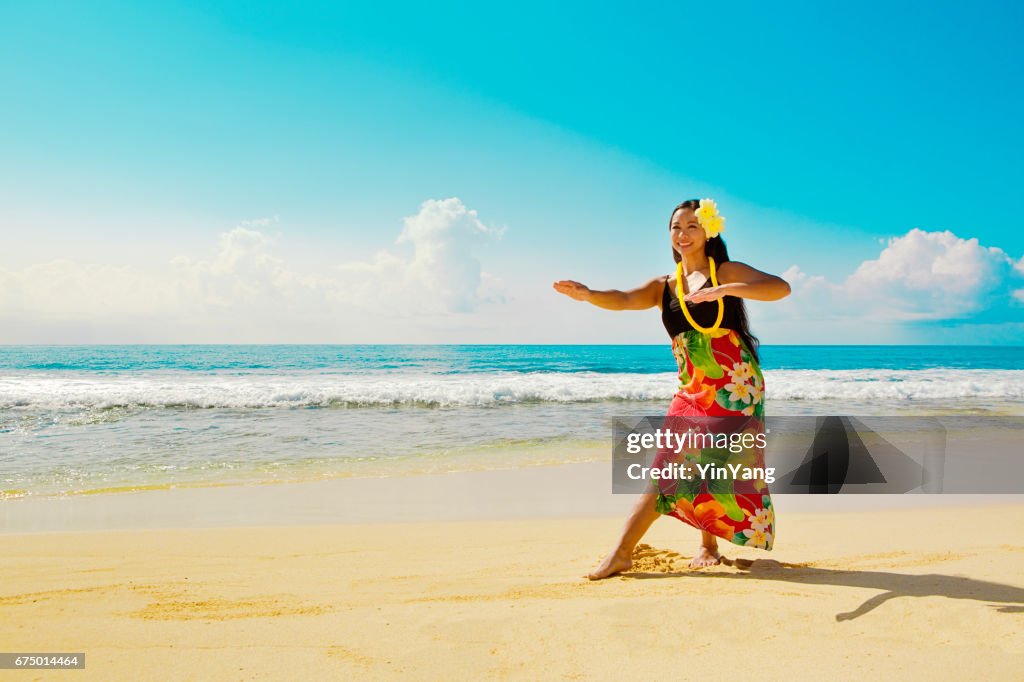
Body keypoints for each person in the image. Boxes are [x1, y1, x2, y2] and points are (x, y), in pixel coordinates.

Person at [552, 199, 791, 579]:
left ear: (708, 232)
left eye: (693, 226)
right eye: (676, 227)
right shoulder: (665, 286)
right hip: (691, 387)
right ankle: (701, 544)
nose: (683, 234)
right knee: (680, 462)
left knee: (687, 465)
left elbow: (780, 288)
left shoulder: (724, 270)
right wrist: (590, 294)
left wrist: (725, 289)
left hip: (734, 385)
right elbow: (626, 298)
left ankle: (623, 552)